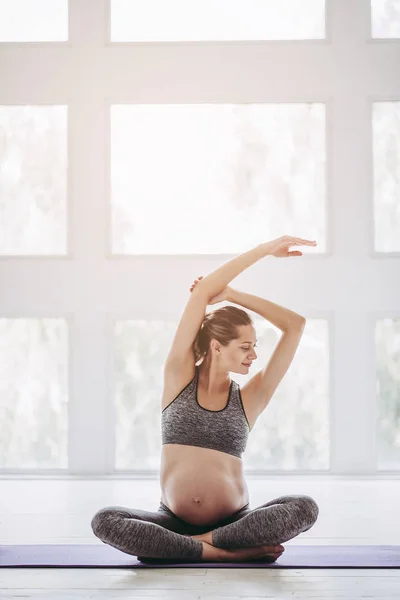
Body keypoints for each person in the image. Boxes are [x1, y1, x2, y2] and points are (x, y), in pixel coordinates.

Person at [91, 236, 319, 563]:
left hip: (235, 522)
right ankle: (229, 555)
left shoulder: (251, 397)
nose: (254, 355)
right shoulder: (178, 377)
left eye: (254, 346)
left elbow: (295, 326)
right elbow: (202, 291)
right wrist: (264, 249)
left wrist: (234, 295)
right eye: (244, 347)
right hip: (172, 520)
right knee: (105, 520)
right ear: (216, 346)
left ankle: (193, 545)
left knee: (304, 507)